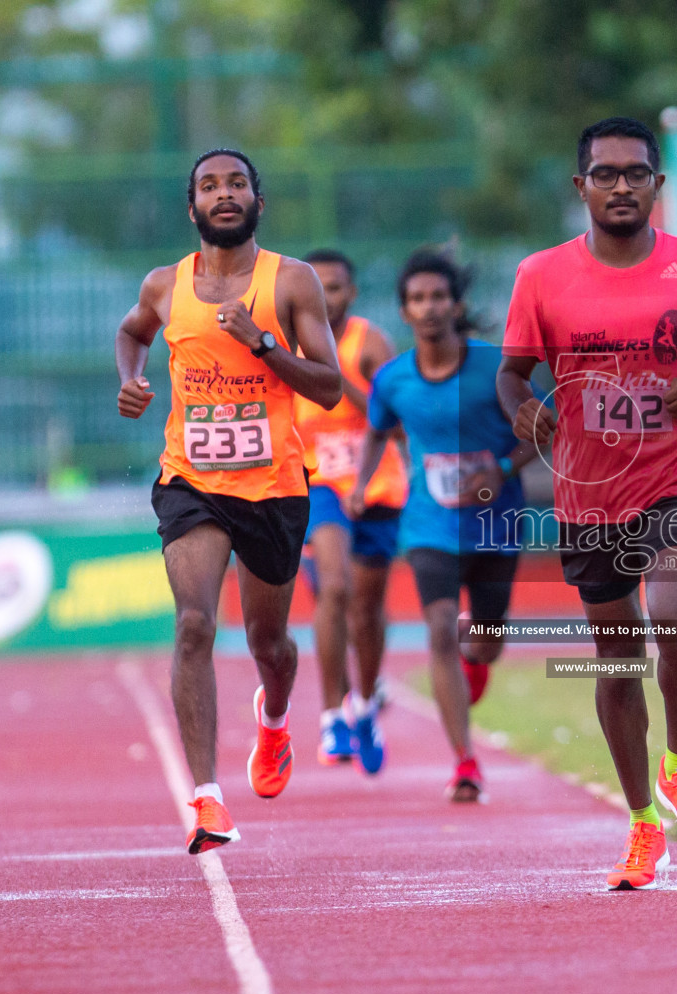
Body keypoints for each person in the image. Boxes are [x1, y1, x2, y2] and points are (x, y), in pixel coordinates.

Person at [497, 117, 677, 890]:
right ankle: (644, 819)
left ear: (656, 185)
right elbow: (513, 371)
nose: (621, 186)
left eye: (636, 174)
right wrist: (523, 407)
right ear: (581, 186)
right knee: (617, 658)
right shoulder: (541, 276)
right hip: (590, 496)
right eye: (606, 174)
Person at [115, 148, 342, 854]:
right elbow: (132, 334)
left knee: (268, 645)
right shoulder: (164, 286)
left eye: (236, 183)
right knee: (193, 625)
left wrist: (264, 346)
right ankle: (207, 798)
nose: (223, 194)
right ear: (192, 208)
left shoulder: (292, 281)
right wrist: (133, 377)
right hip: (192, 481)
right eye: (209, 186)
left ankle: (273, 720)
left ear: (257, 201)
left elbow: (329, 388)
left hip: (273, 487)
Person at [350, 248, 539, 802]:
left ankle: (474, 662)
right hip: (429, 525)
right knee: (437, 628)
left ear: (456, 305)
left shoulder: (497, 368)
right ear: (404, 311)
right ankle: (465, 761)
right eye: (417, 299)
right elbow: (377, 432)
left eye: (438, 296)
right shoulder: (391, 380)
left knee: (485, 642)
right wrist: (362, 485)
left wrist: (498, 470)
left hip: (496, 523)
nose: (429, 307)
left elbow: (543, 428)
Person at [293, 249, 406, 775]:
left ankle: (365, 705)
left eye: (336, 287)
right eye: (319, 287)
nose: (328, 297)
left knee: (366, 609)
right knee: (332, 589)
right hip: (319, 486)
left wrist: (342, 381)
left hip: (377, 487)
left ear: (351, 293)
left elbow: (399, 419)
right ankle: (331, 716)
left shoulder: (370, 342)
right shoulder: (288, 346)